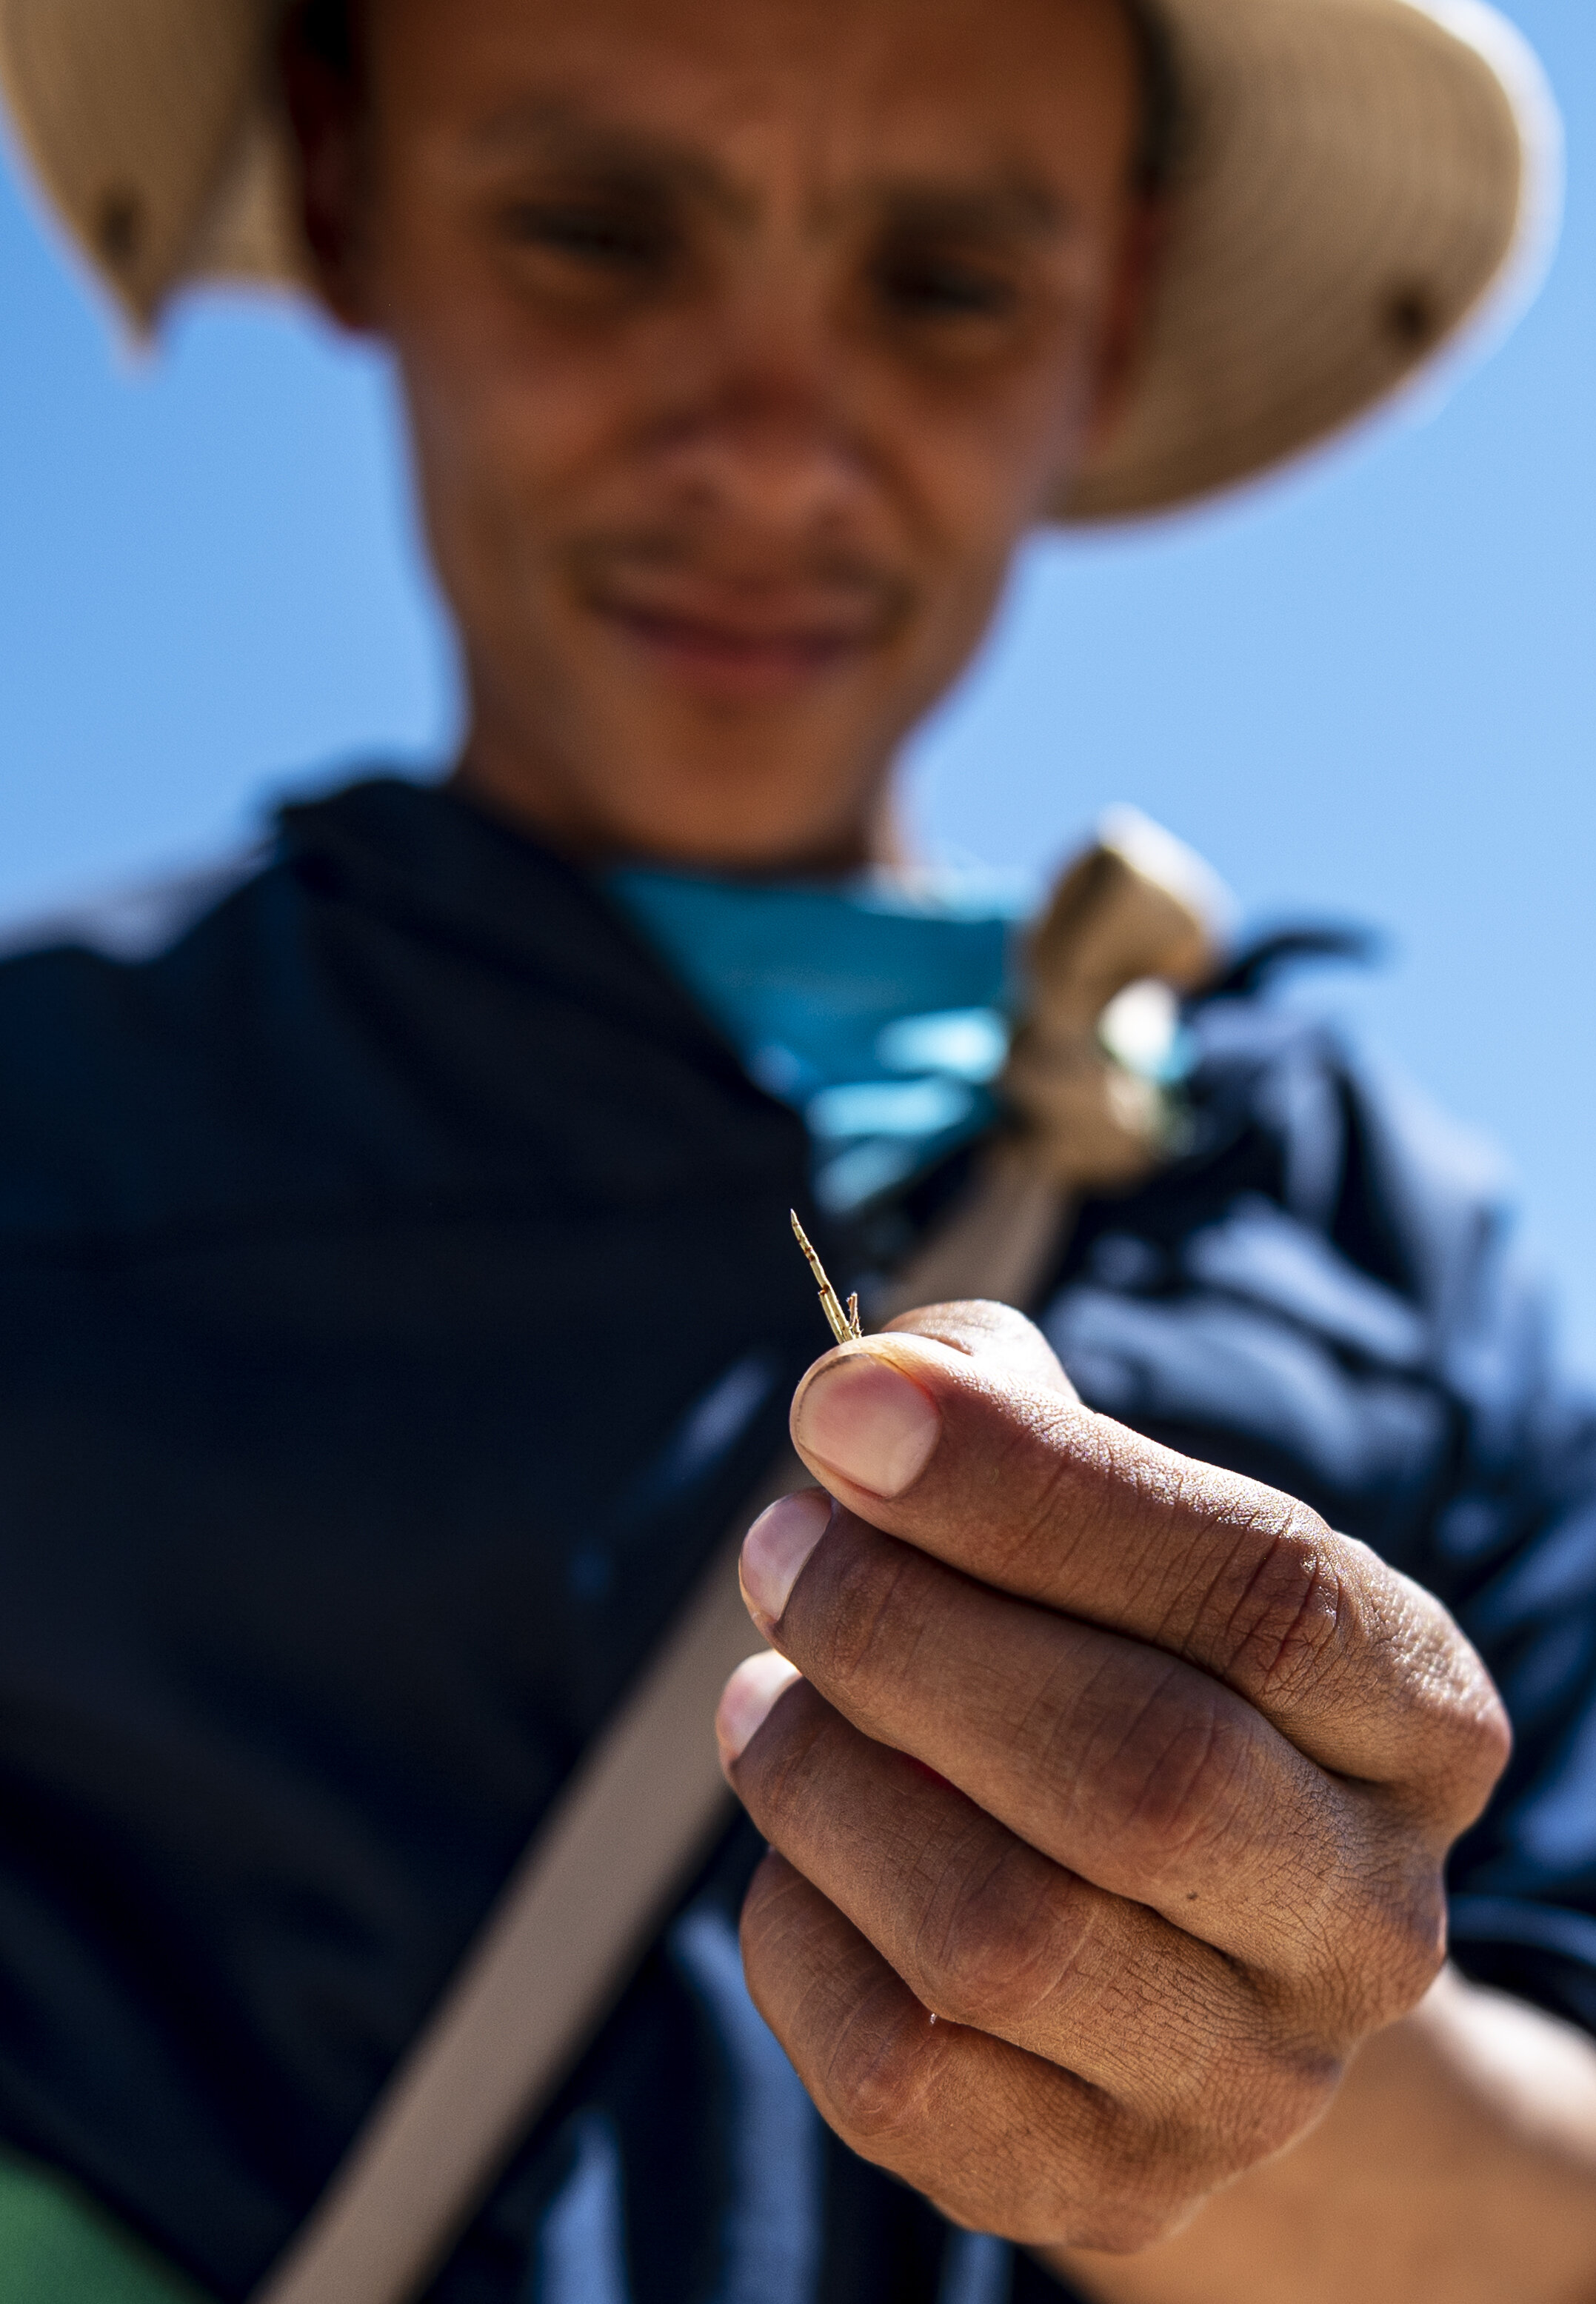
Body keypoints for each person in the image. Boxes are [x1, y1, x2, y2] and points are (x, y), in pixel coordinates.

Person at [0, 0, 1592, 2300]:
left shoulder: (1394, 1258)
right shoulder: (56, 1134)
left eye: (943, 287)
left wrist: (1237, 2062)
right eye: (588, 233)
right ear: (347, 192)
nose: (768, 453)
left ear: (1112, 306)